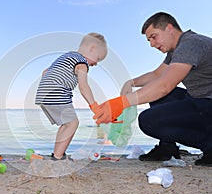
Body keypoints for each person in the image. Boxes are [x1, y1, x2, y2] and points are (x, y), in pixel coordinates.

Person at [93, 12, 212, 166]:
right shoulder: (176, 50)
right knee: (161, 96)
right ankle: (167, 148)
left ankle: (210, 146)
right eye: (149, 40)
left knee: (148, 121)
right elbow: (157, 75)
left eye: (154, 37)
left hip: (208, 102)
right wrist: (130, 83)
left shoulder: (191, 44)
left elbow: (165, 85)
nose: (152, 44)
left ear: (169, 28)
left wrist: (121, 103)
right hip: (201, 100)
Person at [35, 32, 107, 160]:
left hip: (43, 94)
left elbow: (45, 71)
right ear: (92, 49)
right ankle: (57, 157)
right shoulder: (81, 63)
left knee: (66, 124)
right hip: (57, 94)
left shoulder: (67, 56)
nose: (96, 63)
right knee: (73, 123)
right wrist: (94, 105)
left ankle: (57, 154)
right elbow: (83, 86)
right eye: (98, 58)